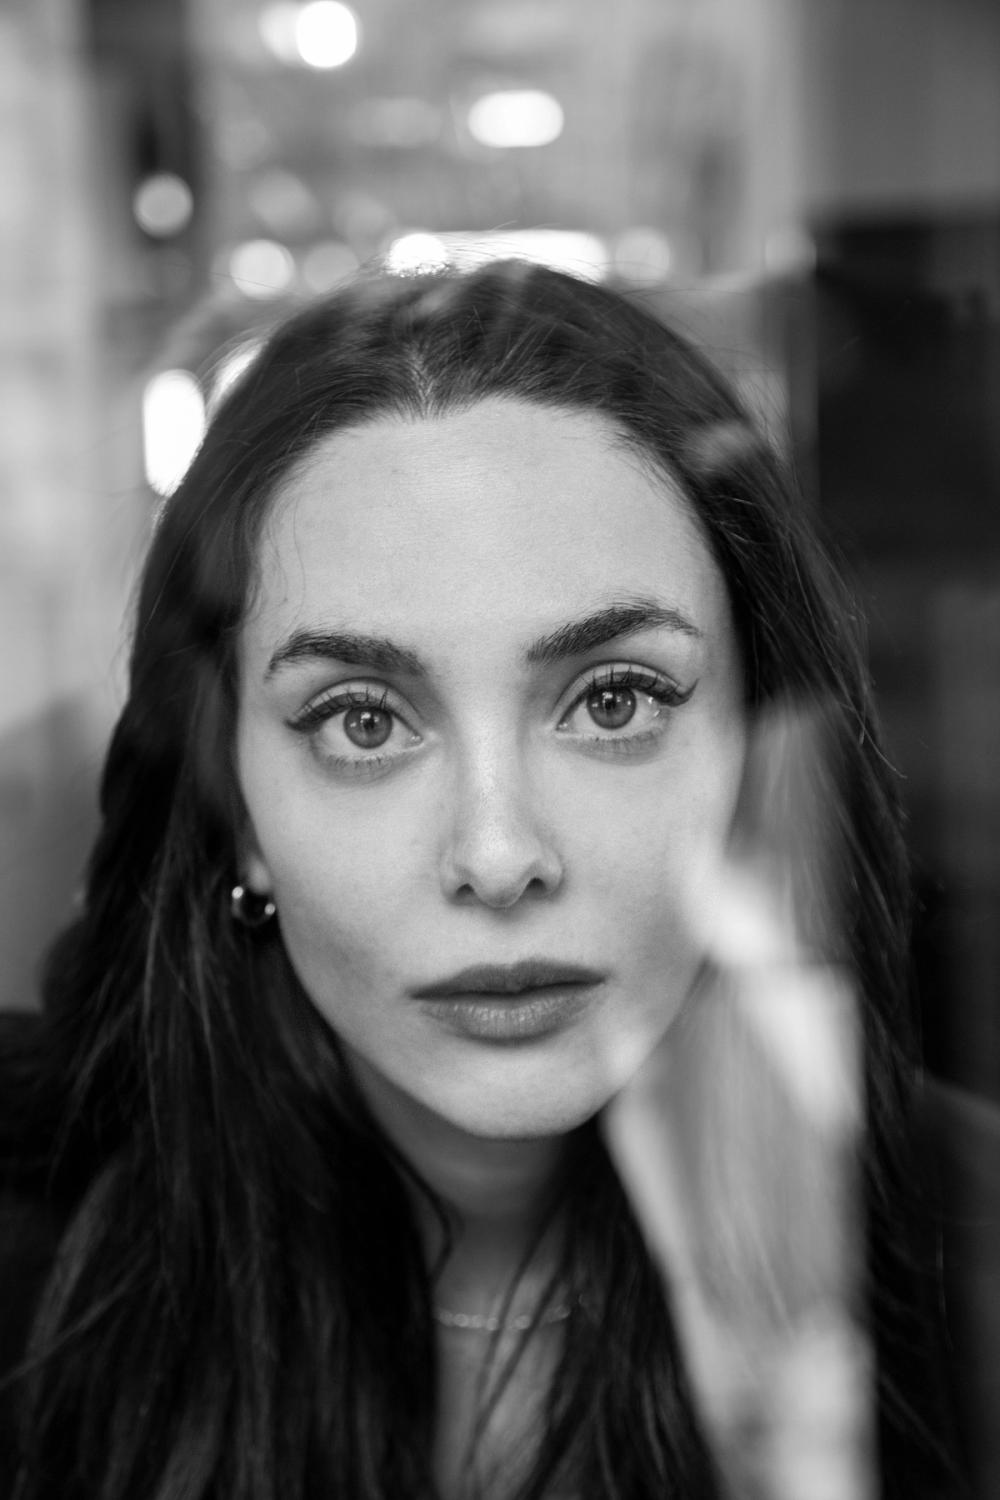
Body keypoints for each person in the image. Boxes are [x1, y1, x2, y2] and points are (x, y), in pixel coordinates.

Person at [0, 259, 966, 1499]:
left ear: (758, 757)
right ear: (236, 817)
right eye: (361, 722)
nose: (499, 856)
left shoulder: (964, 1270)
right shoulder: (29, 1270)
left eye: (613, 701)